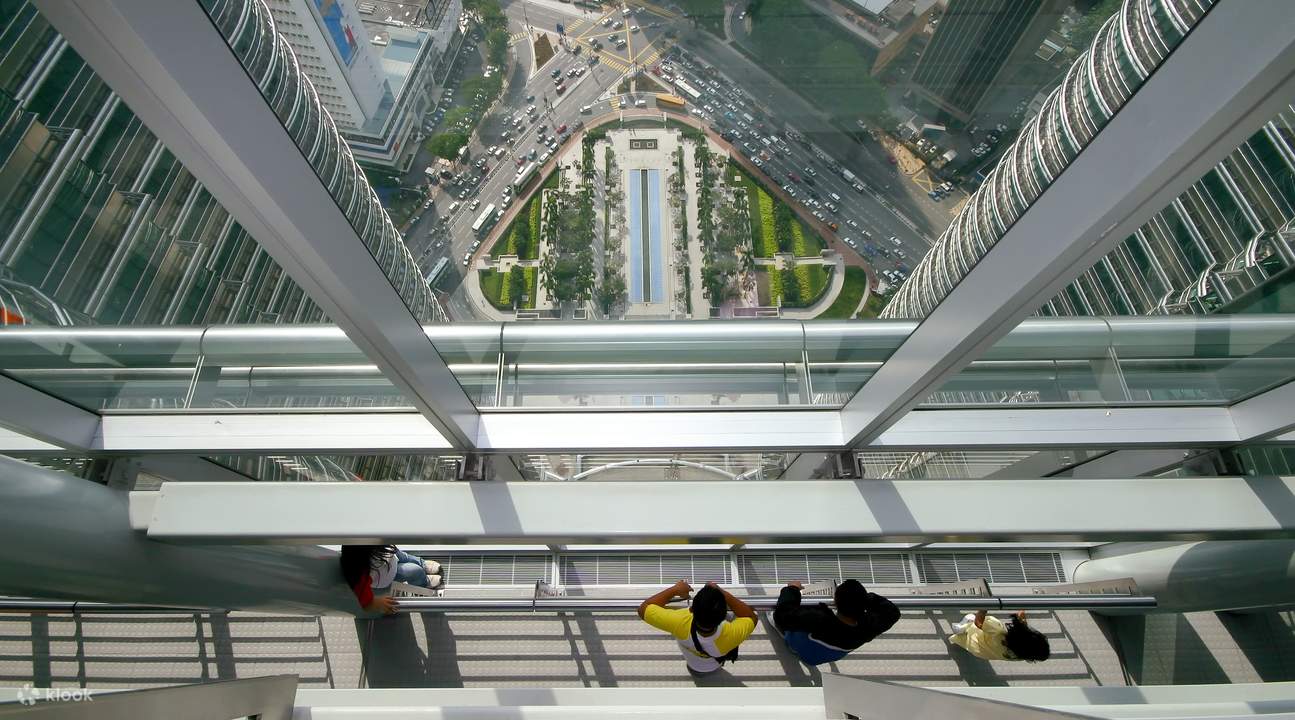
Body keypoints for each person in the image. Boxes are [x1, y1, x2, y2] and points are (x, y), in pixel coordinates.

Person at [638, 580, 757, 676]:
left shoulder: (678, 621)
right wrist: (723, 594)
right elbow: (751, 616)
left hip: (692, 663)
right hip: (715, 664)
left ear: (691, 609)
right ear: (724, 616)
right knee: (709, 672)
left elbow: (644, 608)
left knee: (695, 669)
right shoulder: (731, 634)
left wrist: (675, 590)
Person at [771, 579, 900, 666]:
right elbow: (892, 612)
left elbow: (782, 615)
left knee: (784, 617)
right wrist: (864, 598)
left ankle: (789, 642)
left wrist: (792, 589)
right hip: (821, 657)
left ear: (835, 602)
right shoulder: (868, 627)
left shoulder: (818, 620)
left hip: (805, 648)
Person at [340, 545, 442, 615]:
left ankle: (422, 564)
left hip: (389, 555)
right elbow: (367, 603)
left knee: (405, 556)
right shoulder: (356, 568)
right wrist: (378, 603)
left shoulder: (372, 544)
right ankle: (423, 581)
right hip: (387, 573)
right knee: (414, 571)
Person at [948, 609, 1051, 662]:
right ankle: (962, 632)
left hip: (974, 636)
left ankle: (963, 627)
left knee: (971, 618)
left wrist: (984, 606)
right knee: (973, 640)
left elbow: (979, 622)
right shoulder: (1020, 654)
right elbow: (1023, 632)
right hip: (981, 651)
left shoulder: (998, 632)